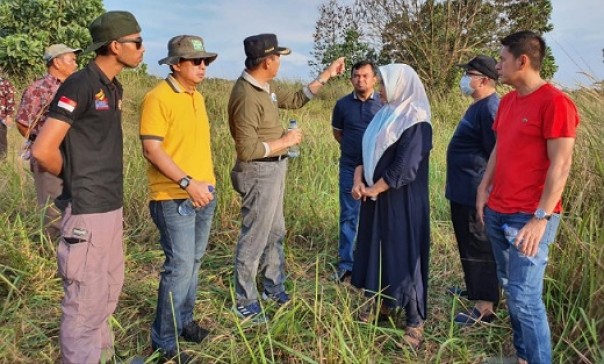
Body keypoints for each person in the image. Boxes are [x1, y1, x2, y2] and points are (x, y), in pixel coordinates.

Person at [31, 11, 144, 364]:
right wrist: (76, 177)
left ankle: (102, 357)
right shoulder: (79, 84)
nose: (142, 49)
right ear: (115, 45)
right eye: (137, 42)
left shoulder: (112, 86)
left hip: (110, 206)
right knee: (83, 305)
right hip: (87, 210)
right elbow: (42, 150)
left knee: (106, 294)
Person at [476, 31, 579, 364]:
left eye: (502, 59)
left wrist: (540, 218)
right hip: (498, 209)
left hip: (529, 217)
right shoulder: (507, 102)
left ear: (523, 61)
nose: (497, 65)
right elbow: (499, 150)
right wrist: (483, 188)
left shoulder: (556, 103)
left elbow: (561, 165)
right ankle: (523, 356)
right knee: (511, 287)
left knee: (525, 297)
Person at [228, 33, 345, 324]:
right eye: (278, 57)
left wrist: (326, 75)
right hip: (258, 171)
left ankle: (272, 286)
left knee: (275, 231)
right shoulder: (245, 96)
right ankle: (244, 301)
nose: (280, 61)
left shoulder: (265, 87)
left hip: (273, 169)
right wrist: (286, 141)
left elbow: (294, 100)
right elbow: (247, 149)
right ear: (268, 60)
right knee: (255, 236)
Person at [139, 34, 218, 363]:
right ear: (175, 64)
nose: (202, 67)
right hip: (174, 196)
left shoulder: (196, 97)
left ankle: (184, 321)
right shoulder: (158, 98)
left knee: (194, 263)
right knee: (179, 267)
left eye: (205, 61)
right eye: (195, 61)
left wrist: (205, 185)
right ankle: (164, 341)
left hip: (204, 193)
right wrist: (187, 182)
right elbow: (151, 148)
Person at [351, 64, 432, 350]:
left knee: (403, 253)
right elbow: (365, 153)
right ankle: (382, 304)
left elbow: (405, 168)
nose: (381, 90)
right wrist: (359, 179)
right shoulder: (384, 114)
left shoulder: (417, 119)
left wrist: (374, 188)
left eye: (385, 84)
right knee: (376, 250)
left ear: (400, 85)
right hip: (375, 198)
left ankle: (414, 319)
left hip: (402, 202)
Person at [445, 55, 500, 325]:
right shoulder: (477, 106)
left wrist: (486, 190)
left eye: (470, 74)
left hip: (475, 191)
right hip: (462, 190)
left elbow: (498, 154)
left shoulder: (491, 107)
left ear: (484, 80)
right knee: (467, 242)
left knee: (479, 245)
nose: (465, 79)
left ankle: (485, 307)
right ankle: (474, 289)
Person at [15, 44, 81, 239]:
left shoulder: (75, 87)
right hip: (49, 155)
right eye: (72, 60)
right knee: (53, 208)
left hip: (75, 154)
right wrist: (43, 145)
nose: (76, 64)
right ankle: (51, 255)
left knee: (74, 204)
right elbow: (23, 123)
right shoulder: (38, 89)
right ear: (57, 62)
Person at [331, 60, 382, 282]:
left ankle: (370, 262)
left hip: (377, 168)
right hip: (349, 166)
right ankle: (347, 265)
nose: (360, 80)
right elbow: (338, 134)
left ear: (374, 79)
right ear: (351, 78)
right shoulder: (342, 105)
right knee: (349, 215)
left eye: (365, 76)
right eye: (356, 76)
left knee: (375, 215)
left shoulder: (383, 104)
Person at [0, 75, 16, 159]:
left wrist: (9, 116)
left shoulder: (5, 83)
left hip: (1, 117)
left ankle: (2, 161)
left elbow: (11, 100)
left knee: (1, 140)